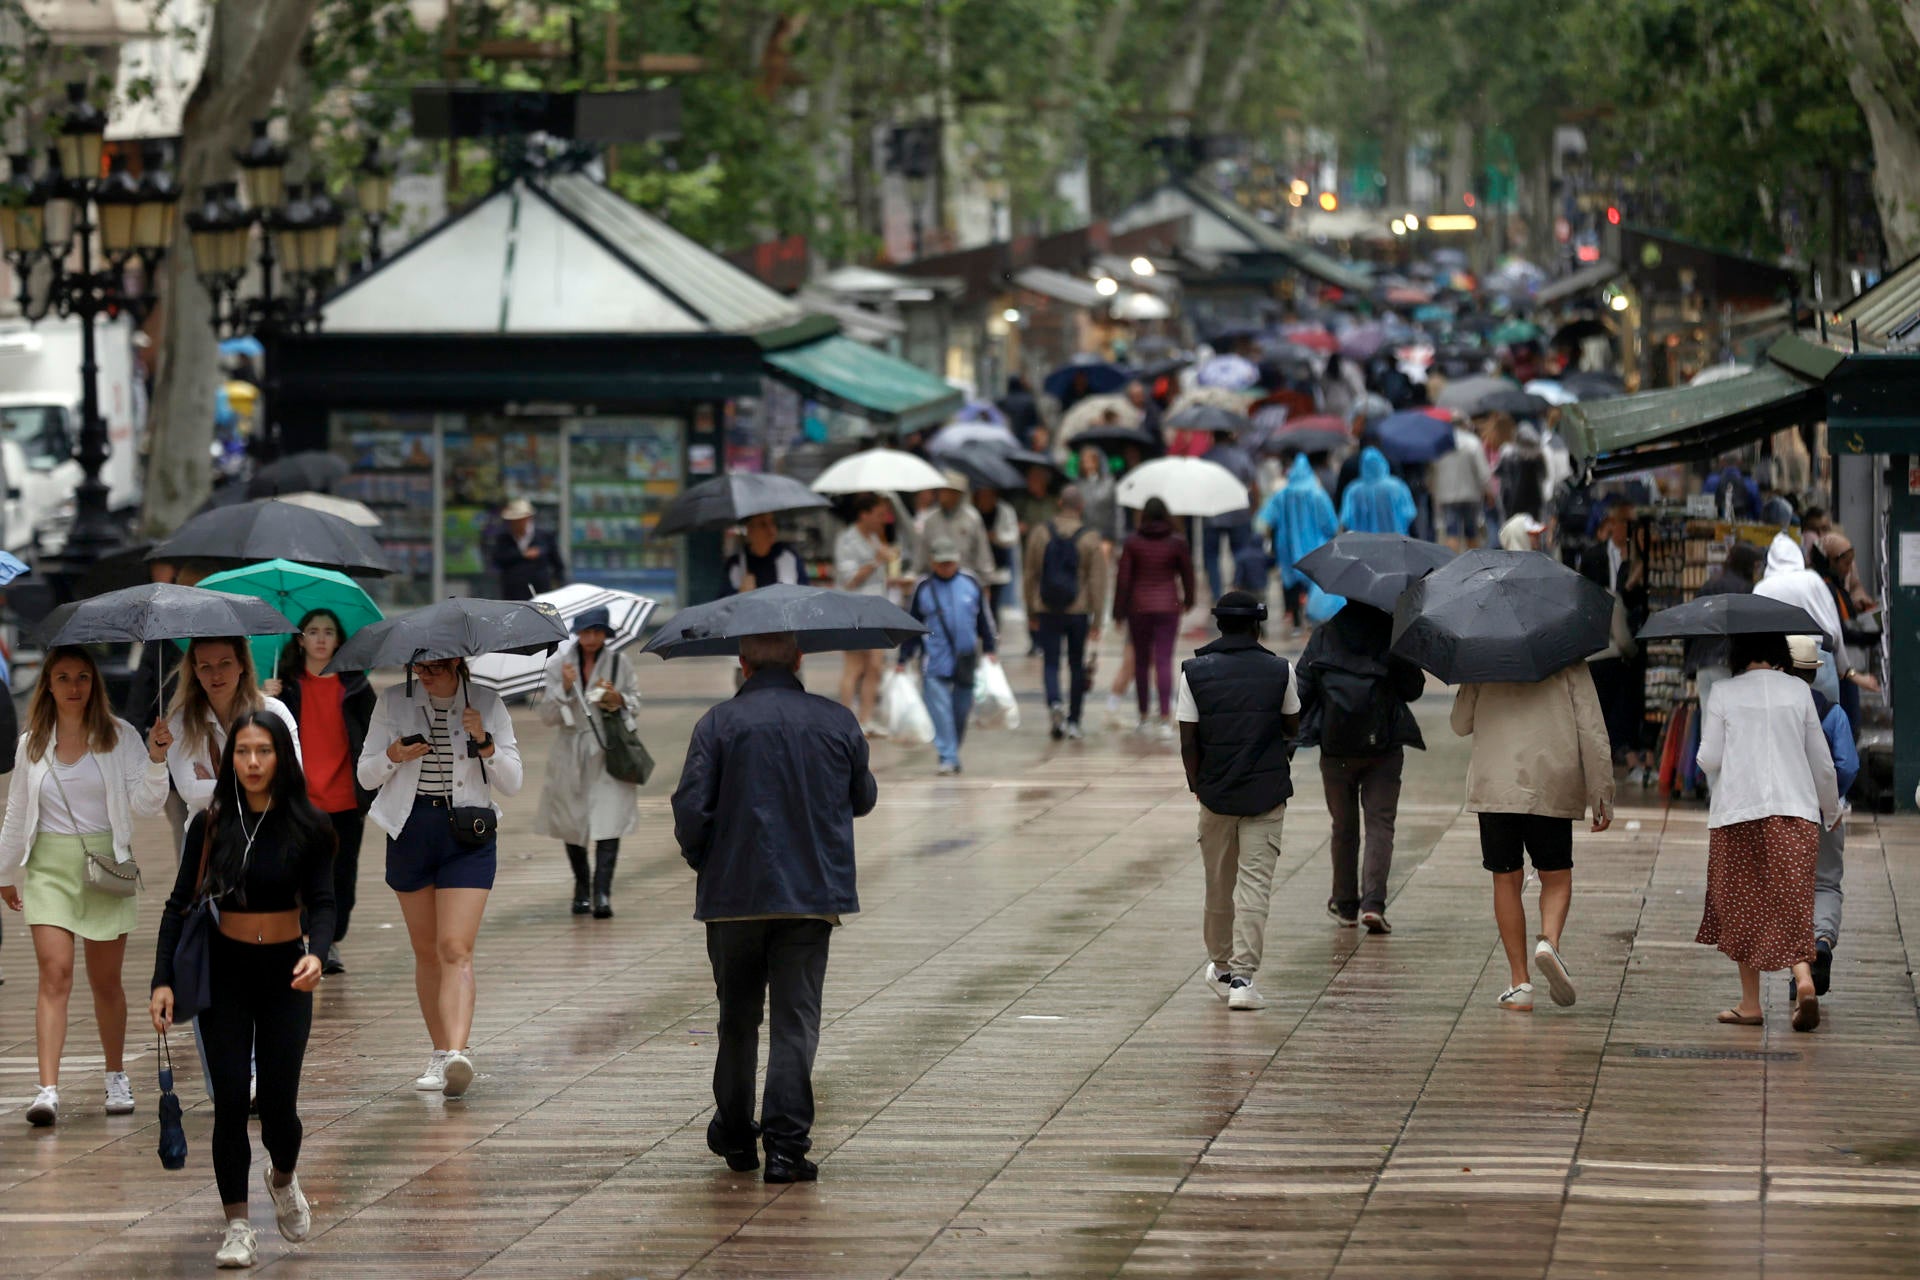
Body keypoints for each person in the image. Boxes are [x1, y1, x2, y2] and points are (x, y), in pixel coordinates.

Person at [672, 631, 876, 1184]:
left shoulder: (717, 724)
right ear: (800, 659)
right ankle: (786, 1148)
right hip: (810, 896)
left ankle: (736, 1134)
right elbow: (863, 799)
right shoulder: (836, 721)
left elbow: (691, 809)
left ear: (742, 663)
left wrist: (707, 863)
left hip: (733, 898)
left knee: (737, 1020)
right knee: (795, 1022)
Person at [149, 712, 331, 1268]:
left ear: (282, 757)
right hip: (225, 972)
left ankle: (283, 1177)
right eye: (243, 752)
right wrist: (161, 980)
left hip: (286, 973)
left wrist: (317, 953)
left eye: (264, 752)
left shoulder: (311, 825)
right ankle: (237, 1226)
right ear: (232, 760)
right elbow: (179, 904)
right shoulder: (210, 823)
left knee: (278, 1107)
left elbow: (324, 903)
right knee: (230, 1101)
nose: (252, 763)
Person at [0, 647, 171, 1126]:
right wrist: (3, 872)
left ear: (94, 683)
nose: (73, 686)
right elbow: (16, 815)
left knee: (105, 982)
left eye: (82, 677)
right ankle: (47, 1089)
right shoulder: (32, 743)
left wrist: (157, 758)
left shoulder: (120, 737)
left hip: (105, 866)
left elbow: (146, 803)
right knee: (54, 974)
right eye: (62, 677)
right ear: (48, 686)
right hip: (49, 867)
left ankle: (115, 1073)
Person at [358, 656, 521, 1098]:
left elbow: (513, 780)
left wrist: (484, 741)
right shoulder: (394, 701)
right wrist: (394, 755)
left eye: (436, 667)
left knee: (456, 947)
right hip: (410, 831)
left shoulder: (486, 703)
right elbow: (366, 772)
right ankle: (439, 1051)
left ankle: (457, 1053)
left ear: (458, 665)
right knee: (427, 951)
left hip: (468, 835)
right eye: (418, 667)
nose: (425, 676)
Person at [1695, 633, 1839, 1031]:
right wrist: (1831, 810)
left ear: (1738, 652)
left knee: (1743, 906)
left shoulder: (1723, 692)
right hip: (1795, 813)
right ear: (1779, 652)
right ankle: (1805, 980)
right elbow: (1822, 763)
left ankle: (1750, 1003)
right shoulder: (1798, 692)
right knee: (1791, 902)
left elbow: (1708, 760)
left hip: (1738, 814)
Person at [1451, 658, 1613, 1013]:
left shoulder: (1482, 656)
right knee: (1555, 876)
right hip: (1550, 782)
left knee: (1506, 879)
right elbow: (1591, 727)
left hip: (1497, 786)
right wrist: (1601, 790)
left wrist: (1470, 678)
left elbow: (1459, 724)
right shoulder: (1567, 656)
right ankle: (1549, 943)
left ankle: (1519, 982)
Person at [1176, 592, 1299, 1011]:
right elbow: (1291, 727)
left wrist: (1199, 785)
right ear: (1257, 626)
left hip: (1214, 796)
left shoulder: (1193, 673)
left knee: (1218, 885)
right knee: (1254, 888)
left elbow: (1188, 740)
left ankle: (1222, 966)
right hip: (1265, 797)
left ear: (1219, 625)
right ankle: (1244, 979)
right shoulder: (1280, 670)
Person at [1296, 602, 1425, 933]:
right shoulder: (1392, 635)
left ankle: (1345, 902)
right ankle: (1373, 903)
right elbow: (1413, 689)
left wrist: (1290, 741)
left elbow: (1302, 689)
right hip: (1382, 747)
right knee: (1380, 823)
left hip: (1336, 748)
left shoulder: (1324, 634)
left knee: (1344, 825)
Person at [263, 610, 374, 976]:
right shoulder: (285, 686)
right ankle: (303, 939)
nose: (321, 639)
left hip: (345, 797)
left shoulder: (356, 685)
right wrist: (265, 699)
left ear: (339, 640)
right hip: (298, 798)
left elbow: (374, 735)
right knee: (296, 873)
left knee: (342, 873)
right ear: (300, 640)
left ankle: (332, 943)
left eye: (329, 632)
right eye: (313, 631)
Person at [537, 608, 641, 919]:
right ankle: (582, 887)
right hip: (571, 750)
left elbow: (634, 702)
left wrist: (618, 698)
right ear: (578, 633)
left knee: (610, 819)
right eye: (586, 632)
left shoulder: (619, 662)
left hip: (608, 749)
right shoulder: (559, 664)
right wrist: (565, 688)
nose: (592, 638)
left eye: (598, 632)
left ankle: (602, 891)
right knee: (573, 821)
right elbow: (548, 716)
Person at [1786, 634, 1857, 1000]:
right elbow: (1848, 764)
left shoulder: (1778, 712)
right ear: (1815, 672)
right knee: (1827, 884)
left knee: (1792, 888)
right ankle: (1823, 941)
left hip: (1786, 812)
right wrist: (1833, 798)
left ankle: (1799, 971)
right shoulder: (1832, 712)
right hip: (1827, 812)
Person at [166, 637, 302, 820]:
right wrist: (257, 784)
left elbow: (293, 781)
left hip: (266, 831)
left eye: (225, 663)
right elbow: (188, 790)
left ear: (242, 665)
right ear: (195, 671)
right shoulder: (181, 721)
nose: (216, 675)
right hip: (209, 838)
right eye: (206, 666)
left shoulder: (273, 711)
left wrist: (218, 784)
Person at [899, 535, 998, 774]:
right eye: (941, 563)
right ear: (932, 562)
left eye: (950, 562)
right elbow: (913, 624)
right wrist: (904, 658)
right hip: (934, 659)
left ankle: (951, 749)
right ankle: (948, 756)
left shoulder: (971, 582)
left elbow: (984, 618)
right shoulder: (923, 587)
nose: (946, 567)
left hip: (965, 657)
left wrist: (990, 648)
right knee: (939, 710)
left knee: (961, 710)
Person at [1024, 485, 1109, 741]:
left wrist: (1031, 609)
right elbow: (1098, 581)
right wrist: (1097, 617)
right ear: (1081, 506)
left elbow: (1030, 574)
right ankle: (1074, 721)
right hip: (1078, 610)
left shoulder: (1040, 533)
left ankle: (1054, 704)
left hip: (1047, 608)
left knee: (1050, 661)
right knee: (1075, 664)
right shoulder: (1090, 537)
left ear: (1059, 503)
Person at [1579, 503, 1653, 784]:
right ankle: (1617, 756)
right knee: (1607, 709)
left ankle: (1617, 755)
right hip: (1609, 644)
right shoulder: (1595, 557)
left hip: (1621, 639)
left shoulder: (1631, 561)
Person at [1114, 497, 1195, 735]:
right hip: (1168, 605)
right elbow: (1188, 574)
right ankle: (1165, 716)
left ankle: (1142, 715)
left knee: (1141, 660)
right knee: (1163, 659)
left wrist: (1118, 611)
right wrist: (1189, 600)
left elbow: (1123, 579)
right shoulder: (1176, 542)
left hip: (1138, 607)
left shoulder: (1132, 542)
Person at [833, 494, 895, 734]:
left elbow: (878, 578)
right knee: (854, 666)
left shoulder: (875, 539)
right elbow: (849, 579)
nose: (884, 520)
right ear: (864, 514)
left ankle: (867, 719)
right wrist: (876, 561)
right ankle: (847, 719)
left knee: (875, 665)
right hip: (854, 610)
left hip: (876, 610)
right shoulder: (847, 540)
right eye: (879, 515)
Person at [1256, 455, 1338, 636]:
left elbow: (1264, 520)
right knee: (1315, 584)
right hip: (1316, 547)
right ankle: (1312, 617)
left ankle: (1295, 622)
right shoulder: (1318, 494)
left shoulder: (1282, 495)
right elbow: (1331, 524)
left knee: (1290, 582)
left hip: (1287, 548)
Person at [1685, 542, 1762, 714]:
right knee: (1731, 721)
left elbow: (1693, 624)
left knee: (1708, 722)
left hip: (1703, 662)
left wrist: (1689, 662)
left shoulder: (1708, 585)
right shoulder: (1747, 590)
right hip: (1729, 662)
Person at [1816, 531, 1878, 738]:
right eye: (1845, 563)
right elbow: (1840, 631)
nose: (1849, 568)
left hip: (1845, 666)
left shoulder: (1837, 587)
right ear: (1830, 561)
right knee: (1847, 724)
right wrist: (1870, 636)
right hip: (1840, 667)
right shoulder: (1826, 588)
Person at [1198, 432, 1258, 603]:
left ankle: (1217, 595)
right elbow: (1254, 486)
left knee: (1211, 557)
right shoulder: (1241, 457)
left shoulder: (1205, 458)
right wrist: (1253, 509)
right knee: (1240, 554)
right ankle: (1237, 590)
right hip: (1238, 513)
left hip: (1212, 514)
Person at [1428, 420, 1493, 549]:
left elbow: (1432, 470)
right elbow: (1484, 472)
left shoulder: (1440, 443)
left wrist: (1433, 491)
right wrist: (1489, 491)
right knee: (1472, 533)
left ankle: (1453, 563)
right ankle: (1476, 564)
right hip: (1471, 495)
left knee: (1452, 533)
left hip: (1446, 495)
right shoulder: (1473, 442)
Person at [913, 478, 994, 581]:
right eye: (941, 490)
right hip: (935, 580)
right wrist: (915, 574)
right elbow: (922, 552)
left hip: (966, 578)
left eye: (946, 491)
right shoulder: (930, 519)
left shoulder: (972, 518)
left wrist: (986, 579)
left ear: (957, 494)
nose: (942, 494)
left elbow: (982, 552)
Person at [491, 497, 566, 601]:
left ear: (527, 518)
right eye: (513, 521)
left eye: (519, 520)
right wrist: (522, 555)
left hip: (540, 592)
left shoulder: (544, 536)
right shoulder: (503, 538)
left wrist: (559, 586)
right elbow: (497, 560)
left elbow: (557, 564)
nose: (515, 524)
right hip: (513, 594)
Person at [723, 512, 809, 596]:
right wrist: (740, 595)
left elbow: (806, 596)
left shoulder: (789, 558)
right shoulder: (736, 564)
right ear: (750, 530)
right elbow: (723, 604)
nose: (771, 531)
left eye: (772, 523)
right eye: (763, 525)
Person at [1338, 445, 1416, 535]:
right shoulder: (1398, 487)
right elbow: (1409, 517)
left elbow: (1346, 522)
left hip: (1361, 545)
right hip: (1395, 543)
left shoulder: (1353, 491)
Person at [974, 484, 1021, 627]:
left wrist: (996, 537)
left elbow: (1013, 536)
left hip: (998, 564)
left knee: (993, 602)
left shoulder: (1005, 511)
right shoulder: (973, 513)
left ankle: (993, 632)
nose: (985, 500)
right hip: (977, 565)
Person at [1076, 446, 1119, 548]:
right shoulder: (1077, 486)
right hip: (1083, 536)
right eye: (1084, 460)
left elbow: (1116, 511)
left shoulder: (1109, 483)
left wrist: (1117, 538)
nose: (1088, 463)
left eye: (1091, 459)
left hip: (1105, 536)